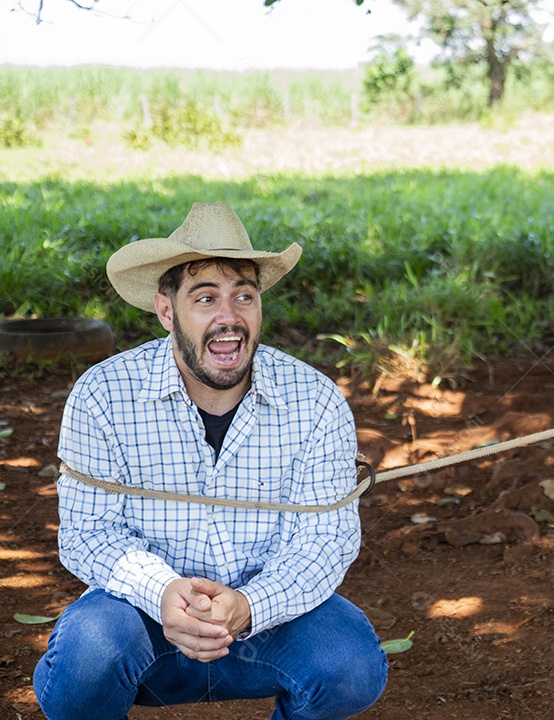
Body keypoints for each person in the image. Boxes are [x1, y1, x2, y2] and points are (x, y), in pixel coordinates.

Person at [34, 202, 388, 720]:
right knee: (87, 661)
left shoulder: (316, 399)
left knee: (350, 665)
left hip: (266, 627)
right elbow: (88, 534)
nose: (230, 316)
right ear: (165, 311)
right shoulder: (103, 395)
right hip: (143, 622)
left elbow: (327, 541)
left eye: (244, 295)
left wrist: (249, 606)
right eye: (205, 298)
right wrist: (163, 592)